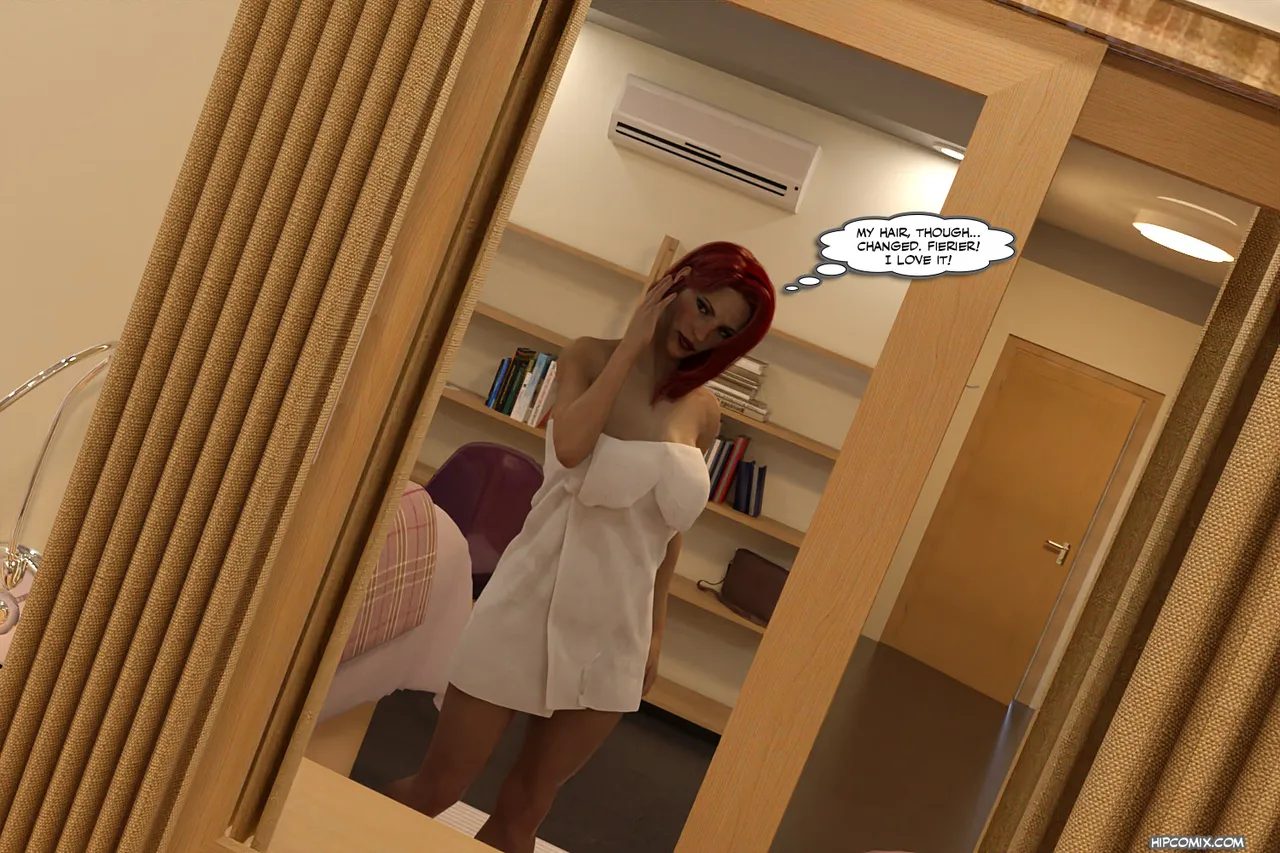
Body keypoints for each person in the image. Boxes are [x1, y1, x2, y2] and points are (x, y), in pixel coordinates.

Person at [385, 241, 775, 852]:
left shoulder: (705, 413)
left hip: (616, 630)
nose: (703, 333)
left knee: (523, 815)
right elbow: (568, 446)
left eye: (724, 330)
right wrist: (631, 349)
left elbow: (669, 532)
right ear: (674, 286)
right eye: (702, 307)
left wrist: (655, 635)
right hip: (527, 607)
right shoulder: (589, 358)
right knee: (436, 790)